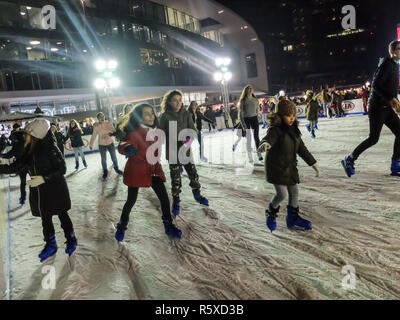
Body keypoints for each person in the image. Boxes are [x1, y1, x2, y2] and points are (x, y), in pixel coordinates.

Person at [0, 119, 77, 262]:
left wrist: (43, 178)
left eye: (28, 134)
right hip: (40, 191)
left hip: (55, 188)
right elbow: (16, 166)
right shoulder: (29, 149)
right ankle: (50, 244)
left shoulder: (51, 148)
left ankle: (71, 239)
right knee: (45, 218)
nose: (25, 136)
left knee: (62, 215)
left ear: (37, 135)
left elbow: (62, 169)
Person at [114, 103, 182, 241]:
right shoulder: (134, 132)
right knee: (131, 201)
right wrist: (127, 148)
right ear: (139, 117)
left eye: (152, 113)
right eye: (147, 114)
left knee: (164, 198)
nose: (151, 116)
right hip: (137, 170)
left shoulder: (156, 131)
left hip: (153, 169)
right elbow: (122, 144)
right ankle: (122, 224)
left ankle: (168, 224)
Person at [257, 99, 320, 232]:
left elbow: (302, 149)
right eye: (288, 115)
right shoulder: (275, 130)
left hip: (290, 167)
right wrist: (265, 144)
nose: (291, 118)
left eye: (293, 115)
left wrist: (313, 163)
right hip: (276, 167)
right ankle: (271, 211)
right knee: (281, 194)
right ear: (280, 116)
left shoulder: (294, 131)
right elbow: (269, 138)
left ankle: (292, 218)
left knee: (294, 192)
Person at [342, 40, 400, 177]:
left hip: (386, 107)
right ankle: (349, 159)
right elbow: (376, 85)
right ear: (392, 51)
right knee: (373, 138)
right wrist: (391, 99)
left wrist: (394, 100)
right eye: (399, 48)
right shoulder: (386, 64)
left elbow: (389, 87)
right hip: (377, 107)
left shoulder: (394, 65)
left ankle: (396, 165)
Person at [159, 90, 209, 216]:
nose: (178, 103)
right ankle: (176, 200)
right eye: (175, 100)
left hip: (185, 151)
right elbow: (159, 133)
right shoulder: (165, 116)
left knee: (193, 173)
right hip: (172, 151)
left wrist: (187, 141)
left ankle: (197, 194)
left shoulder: (186, 114)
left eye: (180, 100)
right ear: (169, 102)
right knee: (175, 178)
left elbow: (192, 130)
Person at [89, 112, 123, 180]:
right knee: (103, 159)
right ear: (98, 118)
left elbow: (114, 131)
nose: (102, 118)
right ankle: (105, 171)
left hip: (110, 142)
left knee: (114, 157)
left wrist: (117, 137)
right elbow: (94, 135)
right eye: (100, 117)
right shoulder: (96, 126)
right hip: (101, 144)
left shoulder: (108, 124)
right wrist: (91, 144)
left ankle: (116, 169)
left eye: (103, 116)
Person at [0, 123, 28, 205]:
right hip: (26, 164)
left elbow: (11, 153)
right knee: (25, 181)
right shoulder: (24, 142)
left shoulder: (18, 144)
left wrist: (2, 155)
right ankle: (24, 197)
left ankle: (23, 198)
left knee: (23, 182)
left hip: (21, 164)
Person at [239, 85, 263, 161]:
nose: (249, 90)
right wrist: (243, 124)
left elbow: (257, 110)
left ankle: (259, 154)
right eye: (248, 89)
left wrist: (258, 115)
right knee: (249, 138)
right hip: (246, 120)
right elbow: (240, 113)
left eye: (250, 89)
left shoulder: (255, 99)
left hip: (254, 119)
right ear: (245, 91)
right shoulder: (243, 100)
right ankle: (249, 156)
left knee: (256, 137)